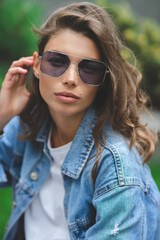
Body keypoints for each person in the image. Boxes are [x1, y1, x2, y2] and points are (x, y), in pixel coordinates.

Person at [0, 2, 160, 239]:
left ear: (104, 80)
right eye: (57, 61)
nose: (71, 78)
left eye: (89, 68)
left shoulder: (116, 167)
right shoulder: (30, 125)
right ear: (36, 66)